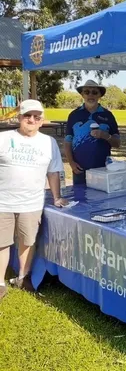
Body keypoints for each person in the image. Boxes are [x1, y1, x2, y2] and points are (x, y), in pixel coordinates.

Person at [0, 100, 68, 300]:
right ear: (19, 118)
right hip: (3, 201)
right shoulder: (3, 138)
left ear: (41, 120)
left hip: (31, 202)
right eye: (27, 116)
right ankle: (0, 282)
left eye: (36, 117)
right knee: (2, 243)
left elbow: (53, 171)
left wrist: (56, 197)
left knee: (27, 242)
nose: (31, 120)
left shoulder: (49, 142)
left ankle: (23, 277)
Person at [64, 80, 120, 185]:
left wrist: (105, 136)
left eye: (94, 92)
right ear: (82, 94)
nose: (91, 95)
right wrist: (71, 163)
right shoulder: (74, 115)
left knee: (102, 200)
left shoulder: (108, 115)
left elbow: (117, 143)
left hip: (103, 169)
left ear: (100, 95)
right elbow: (67, 142)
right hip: (79, 168)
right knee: (80, 199)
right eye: (87, 92)